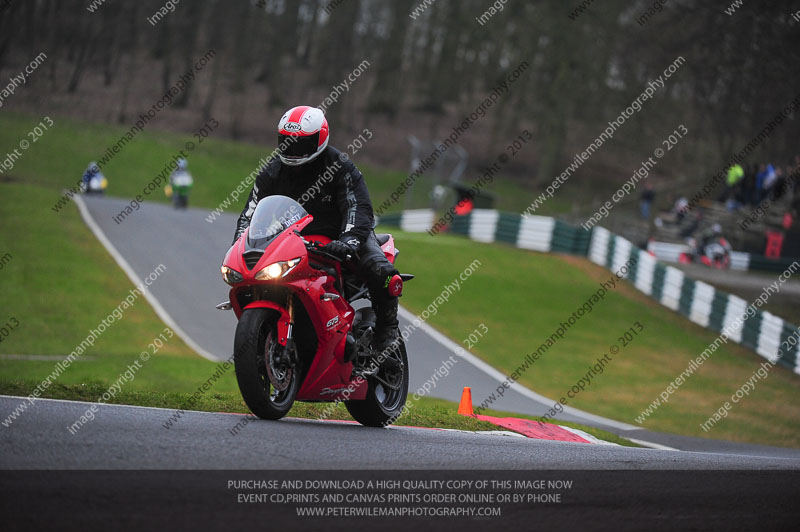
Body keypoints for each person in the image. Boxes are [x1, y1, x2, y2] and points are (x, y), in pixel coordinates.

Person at [232, 106, 400, 359]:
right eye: (286, 142)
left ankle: (388, 330)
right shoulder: (271, 172)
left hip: (343, 234)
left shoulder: (341, 167)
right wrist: (239, 246)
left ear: (320, 139)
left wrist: (349, 241)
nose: (292, 149)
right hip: (293, 240)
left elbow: (358, 207)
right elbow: (250, 214)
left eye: (301, 143)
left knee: (382, 272)